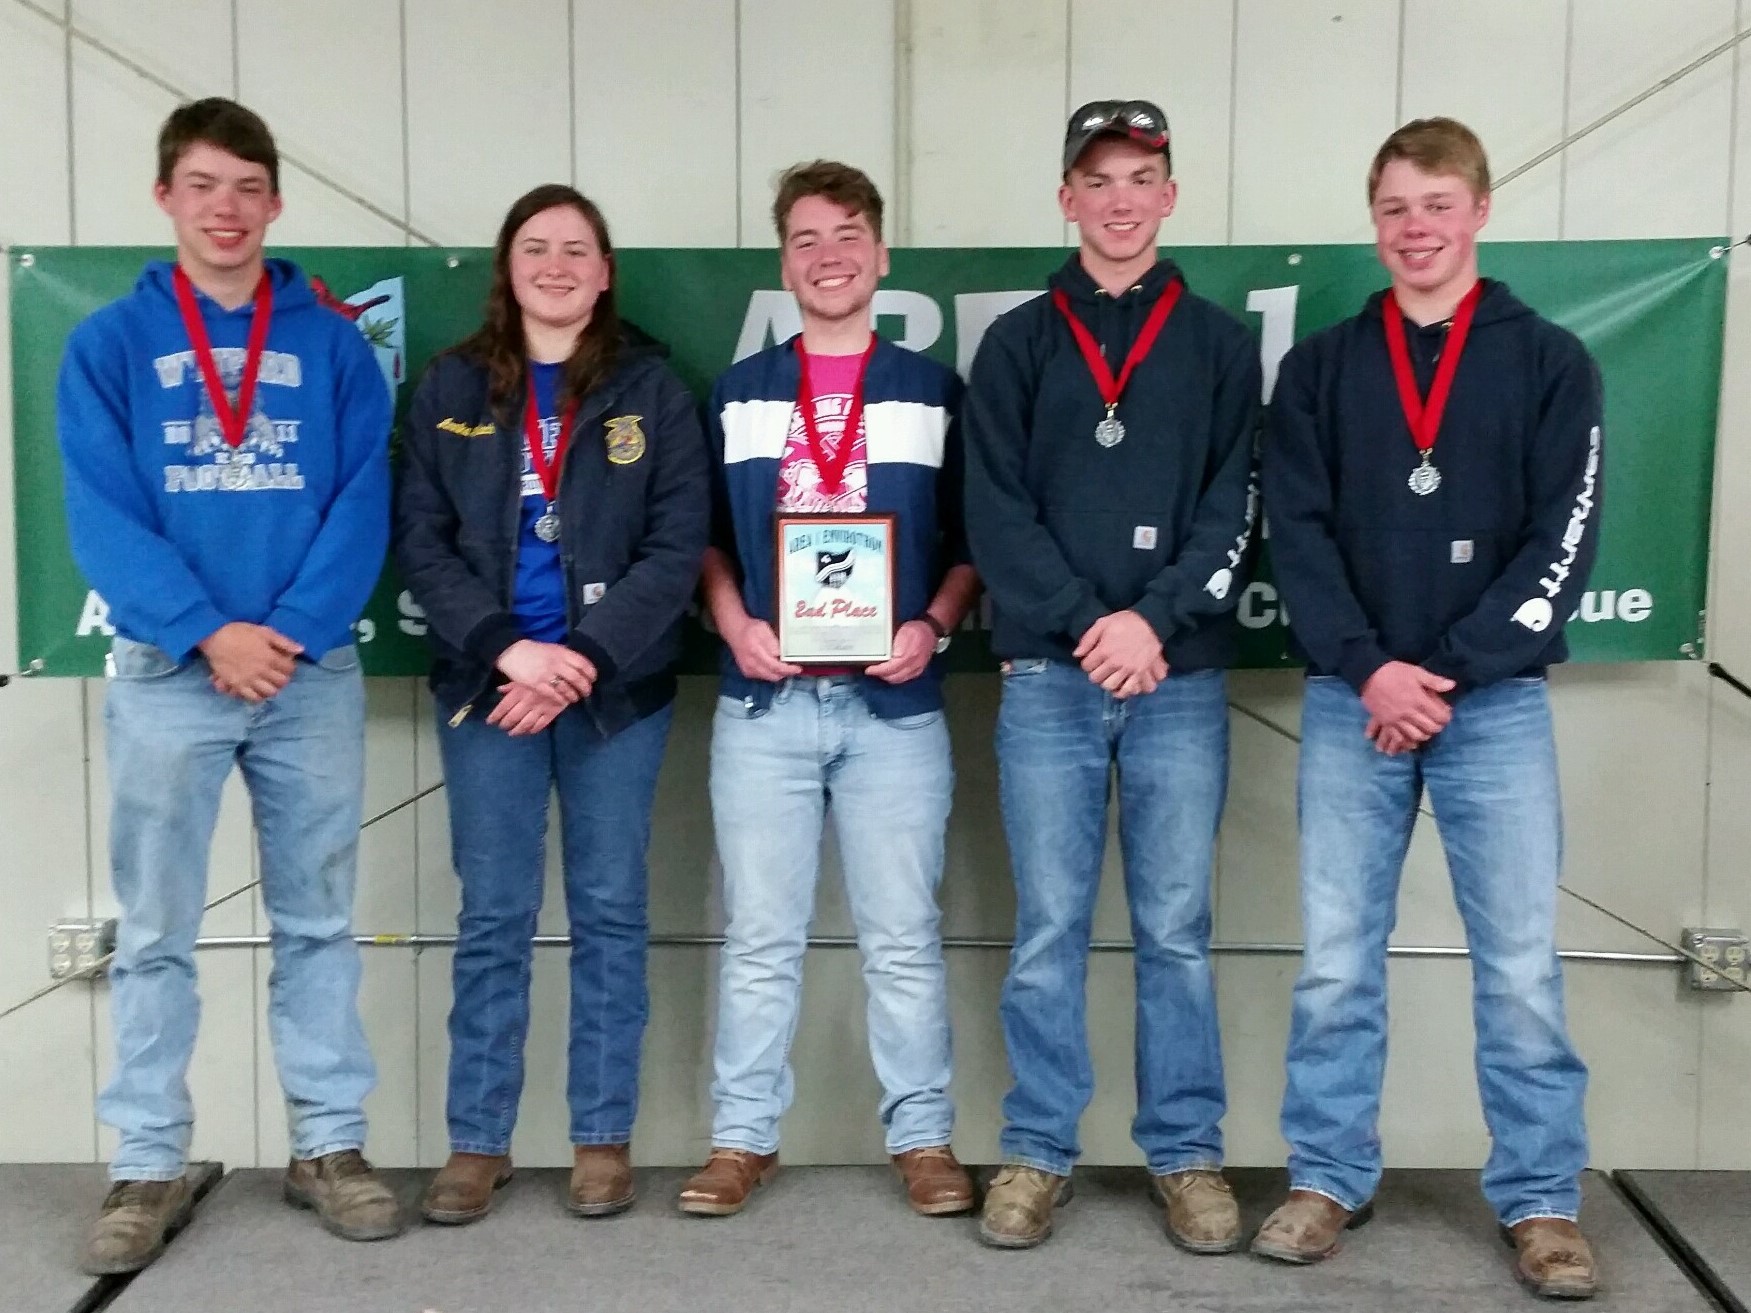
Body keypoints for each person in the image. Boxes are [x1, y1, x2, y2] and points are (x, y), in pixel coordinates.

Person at [1256, 117, 1600, 1300]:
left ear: (1480, 211)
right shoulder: (1319, 369)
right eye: (1395, 208)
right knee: (1334, 963)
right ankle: (1324, 1176)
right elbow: (1294, 533)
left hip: (1489, 705)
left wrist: (1443, 671)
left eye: (1437, 204)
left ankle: (1541, 1197)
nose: (1416, 229)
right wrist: (1370, 668)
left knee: (1517, 966)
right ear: (1373, 222)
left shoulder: (1549, 361)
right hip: (1351, 701)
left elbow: (1562, 537)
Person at [56, 97, 399, 1274]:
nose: (226, 208)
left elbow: (361, 503)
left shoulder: (335, 346)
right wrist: (209, 633)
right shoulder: (107, 343)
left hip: (308, 673)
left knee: (317, 919)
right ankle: (147, 1158)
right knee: (155, 927)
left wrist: (284, 633)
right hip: (168, 673)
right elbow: (102, 515)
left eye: (248, 187)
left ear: (275, 202)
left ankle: (328, 1143)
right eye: (203, 185)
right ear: (165, 196)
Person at [962, 100, 1259, 1253]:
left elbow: (1233, 505)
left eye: (1140, 178)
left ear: (1169, 195)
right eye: (1098, 180)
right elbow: (994, 513)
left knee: (1175, 927)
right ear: (1065, 199)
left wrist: (1153, 621)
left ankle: (1184, 1151)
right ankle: (1038, 1147)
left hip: (1177, 677)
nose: (1120, 199)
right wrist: (1093, 624)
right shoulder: (1017, 342)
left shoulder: (1220, 344)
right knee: (1047, 926)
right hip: (1049, 674)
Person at [395, 184, 709, 1224]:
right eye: (536, 247)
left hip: (614, 692)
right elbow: (421, 542)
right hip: (489, 688)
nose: (557, 265)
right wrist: (508, 653)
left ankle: (601, 1138)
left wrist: (576, 659)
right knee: (493, 913)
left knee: (611, 910)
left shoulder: (652, 389)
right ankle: (477, 1141)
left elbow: (676, 546)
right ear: (507, 266)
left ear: (605, 272)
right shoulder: (449, 384)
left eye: (577, 249)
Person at [682, 160, 980, 1219]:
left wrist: (931, 623)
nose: (829, 256)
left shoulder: (932, 391)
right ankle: (739, 1140)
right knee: (758, 938)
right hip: (764, 704)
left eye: (848, 234)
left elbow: (969, 543)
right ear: (783, 262)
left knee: (902, 938)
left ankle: (923, 1139)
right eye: (805, 239)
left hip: (893, 708)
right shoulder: (740, 393)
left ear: (881, 254)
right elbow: (702, 541)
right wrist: (735, 624)